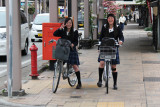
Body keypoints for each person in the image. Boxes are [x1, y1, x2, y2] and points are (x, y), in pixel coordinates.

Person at [97, 14, 124, 90]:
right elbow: (101, 37)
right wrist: (99, 46)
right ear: (107, 19)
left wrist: (121, 41)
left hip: (113, 47)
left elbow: (121, 36)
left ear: (114, 19)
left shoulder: (117, 27)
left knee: (113, 67)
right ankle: (100, 80)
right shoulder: (105, 26)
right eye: (109, 18)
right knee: (102, 63)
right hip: (104, 47)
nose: (110, 19)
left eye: (112, 18)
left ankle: (115, 83)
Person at [53, 18, 82, 89]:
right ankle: (62, 72)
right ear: (65, 23)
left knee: (75, 66)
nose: (69, 24)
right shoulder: (62, 30)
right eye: (67, 23)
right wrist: (60, 28)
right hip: (63, 49)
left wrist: (73, 44)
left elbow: (76, 42)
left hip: (71, 50)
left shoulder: (75, 31)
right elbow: (54, 34)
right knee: (60, 62)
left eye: (70, 23)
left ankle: (79, 82)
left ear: (72, 24)